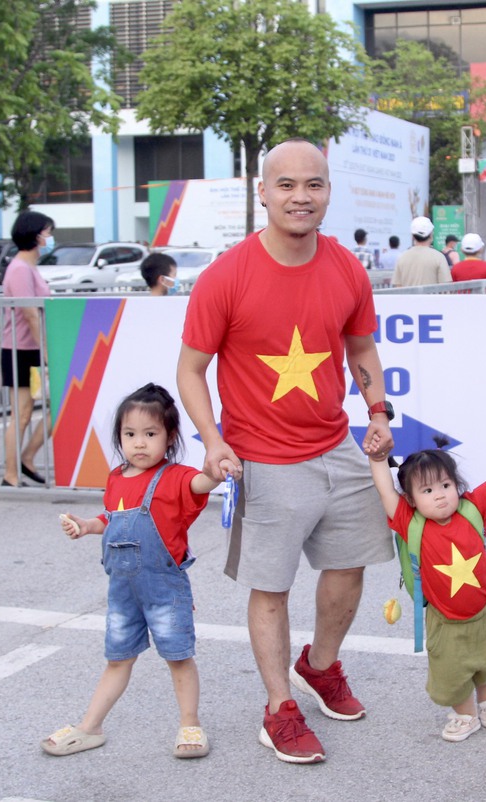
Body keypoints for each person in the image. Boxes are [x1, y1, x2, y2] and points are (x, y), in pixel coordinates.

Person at [176, 138, 394, 764]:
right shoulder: (226, 275)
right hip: (263, 458)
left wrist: (376, 412)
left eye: (314, 185)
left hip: (337, 445)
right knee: (270, 588)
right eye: (288, 185)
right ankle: (278, 709)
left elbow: (362, 352)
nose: (301, 197)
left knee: (350, 566)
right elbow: (191, 370)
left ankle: (319, 667)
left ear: (328, 191)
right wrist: (214, 441)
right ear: (263, 193)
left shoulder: (347, 267)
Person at [41, 383, 240, 759]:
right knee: (117, 659)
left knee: (178, 657)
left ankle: (190, 725)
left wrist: (218, 468)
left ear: (170, 437)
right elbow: (111, 517)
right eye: (130, 434)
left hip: (164, 589)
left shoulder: (177, 477)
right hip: (122, 592)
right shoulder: (116, 477)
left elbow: (202, 482)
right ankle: (90, 727)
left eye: (150, 434)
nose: (139, 443)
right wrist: (86, 525)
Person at [366, 441, 486, 743]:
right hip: (447, 619)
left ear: (457, 485)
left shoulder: (472, 508)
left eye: (445, 484)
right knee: (451, 670)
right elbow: (386, 491)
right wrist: (378, 459)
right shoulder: (409, 522)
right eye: (427, 490)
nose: (440, 494)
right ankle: (466, 714)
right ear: (412, 500)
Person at [0, 210, 54, 487]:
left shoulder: (29, 267)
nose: (49, 237)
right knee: (21, 414)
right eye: (47, 231)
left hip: (32, 349)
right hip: (21, 350)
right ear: (35, 234)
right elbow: (30, 312)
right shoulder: (20, 268)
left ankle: (27, 458)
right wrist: (44, 350)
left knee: (53, 407)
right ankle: (11, 473)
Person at [393, 217, 451, 287]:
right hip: (432, 298)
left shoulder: (402, 257)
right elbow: (446, 287)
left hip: (408, 298)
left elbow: (398, 287)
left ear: (413, 236)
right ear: (431, 234)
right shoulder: (439, 257)